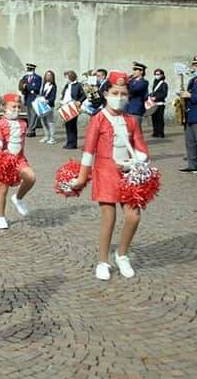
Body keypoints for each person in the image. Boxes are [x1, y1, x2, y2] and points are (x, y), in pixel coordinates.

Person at [70, 71, 150, 281]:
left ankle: (121, 254)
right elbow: (88, 151)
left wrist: (138, 161)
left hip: (128, 174)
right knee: (109, 218)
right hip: (105, 172)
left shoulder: (131, 121)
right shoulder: (98, 119)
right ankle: (103, 261)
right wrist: (81, 178)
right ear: (106, 94)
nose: (120, 97)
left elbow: (141, 147)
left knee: (134, 216)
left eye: (124, 94)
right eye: (115, 92)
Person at [0, 93, 36, 229]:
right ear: (4, 107)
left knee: (31, 177)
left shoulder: (23, 123)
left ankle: (18, 198)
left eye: (18, 106)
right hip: (5, 160)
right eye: (13, 106)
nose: (16, 109)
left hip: (20, 159)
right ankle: (0, 216)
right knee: (2, 189)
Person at [60, 70, 86, 149]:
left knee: (72, 125)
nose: (66, 79)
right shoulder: (67, 85)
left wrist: (79, 101)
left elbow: (84, 95)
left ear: (71, 77)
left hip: (73, 106)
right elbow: (64, 94)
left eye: (67, 77)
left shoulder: (78, 85)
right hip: (65, 106)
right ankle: (69, 142)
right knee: (67, 125)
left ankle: (73, 143)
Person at [19, 63, 41, 137]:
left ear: (33, 70)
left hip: (34, 98)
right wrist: (26, 88)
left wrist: (27, 86)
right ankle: (32, 131)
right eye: (28, 69)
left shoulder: (38, 78)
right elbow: (21, 86)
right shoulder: (25, 77)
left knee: (34, 115)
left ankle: (30, 129)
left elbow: (36, 88)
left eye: (30, 69)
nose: (28, 70)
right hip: (27, 97)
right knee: (29, 115)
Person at [38, 70, 57, 144]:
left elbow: (53, 97)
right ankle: (46, 135)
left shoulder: (53, 86)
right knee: (43, 121)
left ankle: (52, 138)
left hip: (49, 106)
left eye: (49, 75)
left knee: (50, 122)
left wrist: (48, 101)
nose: (48, 76)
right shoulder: (44, 84)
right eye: (47, 75)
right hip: (42, 106)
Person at [149, 68, 169, 138]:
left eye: (158, 74)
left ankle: (161, 133)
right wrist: (150, 96)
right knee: (154, 118)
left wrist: (156, 97)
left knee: (160, 119)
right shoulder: (155, 83)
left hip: (160, 104)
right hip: (154, 104)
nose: (156, 76)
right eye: (155, 74)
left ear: (162, 75)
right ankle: (155, 132)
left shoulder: (164, 84)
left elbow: (164, 94)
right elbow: (154, 92)